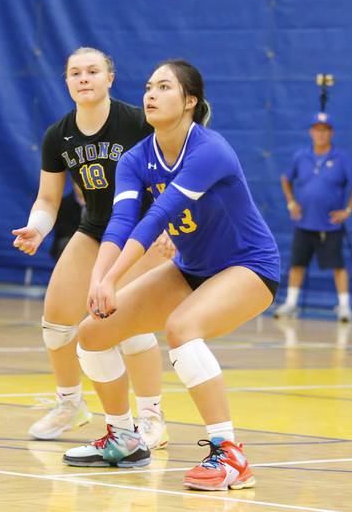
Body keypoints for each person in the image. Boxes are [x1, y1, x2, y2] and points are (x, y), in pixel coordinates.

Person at [62, 59, 279, 491]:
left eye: (164, 87)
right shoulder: (136, 158)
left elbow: (159, 215)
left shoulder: (210, 149)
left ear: (190, 101)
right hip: (191, 269)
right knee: (92, 333)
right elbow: (122, 221)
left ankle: (230, 455)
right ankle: (124, 437)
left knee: (183, 328)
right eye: (148, 86)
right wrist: (99, 279)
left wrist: (113, 277)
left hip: (249, 266)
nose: (151, 94)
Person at [12, 47, 174, 449]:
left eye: (92, 71)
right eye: (75, 73)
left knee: (126, 325)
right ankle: (70, 405)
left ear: (109, 79)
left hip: (144, 233)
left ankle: (152, 416)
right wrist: (37, 228)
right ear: (66, 81)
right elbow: (48, 198)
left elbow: (173, 173)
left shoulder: (138, 122)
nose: (84, 78)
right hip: (97, 229)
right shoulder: (58, 135)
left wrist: (170, 225)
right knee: (56, 322)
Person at [275, 112, 352, 323]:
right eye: (317, 130)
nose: (320, 134)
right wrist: (292, 202)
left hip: (329, 225)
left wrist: (348, 210)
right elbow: (285, 179)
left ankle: (344, 306)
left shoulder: (341, 158)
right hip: (304, 222)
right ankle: (291, 303)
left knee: (338, 266)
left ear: (331, 133)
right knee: (297, 264)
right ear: (311, 132)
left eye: (324, 130)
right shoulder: (301, 156)